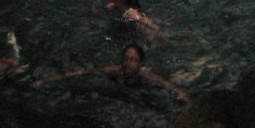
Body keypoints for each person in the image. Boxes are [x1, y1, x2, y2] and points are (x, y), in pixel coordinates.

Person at [40, 44, 189, 104]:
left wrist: (184, 99)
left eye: (133, 60)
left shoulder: (147, 76)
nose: (128, 63)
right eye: (126, 58)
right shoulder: (115, 71)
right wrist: (48, 80)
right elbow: (84, 72)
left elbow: (170, 87)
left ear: (140, 64)